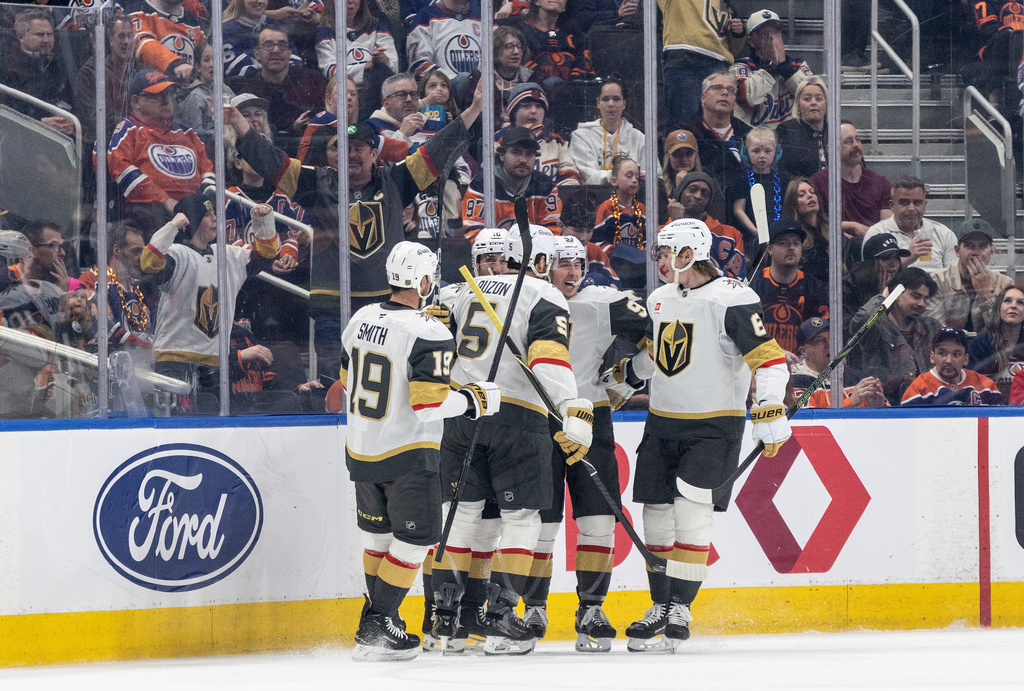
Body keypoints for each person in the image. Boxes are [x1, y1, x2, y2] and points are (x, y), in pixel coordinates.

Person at [225, 77, 485, 379]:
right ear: (331, 155)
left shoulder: (397, 179)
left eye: (359, 147)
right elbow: (270, 161)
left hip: (389, 304)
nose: (350, 153)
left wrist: (475, 108)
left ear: (374, 154)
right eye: (340, 147)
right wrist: (240, 126)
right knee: (333, 382)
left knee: (388, 381)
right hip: (333, 307)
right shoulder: (315, 182)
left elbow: (439, 148)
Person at [627, 218, 789, 653]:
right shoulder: (660, 298)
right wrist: (623, 378)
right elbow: (656, 353)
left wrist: (770, 407)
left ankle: (681, 607)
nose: (659, 260)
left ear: (687, 255)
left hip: (713, 426)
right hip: (661, 422)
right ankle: (660, 605)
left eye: (665, 252)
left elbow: (769, 361)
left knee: (692, 514)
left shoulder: (731, 300)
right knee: (656, 517)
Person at [431, 225, 593, 656]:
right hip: (519, 417)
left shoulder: (454, 294)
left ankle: (444, 622)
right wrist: (572, 409)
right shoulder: (543, 295)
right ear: (537, 262)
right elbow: (549, 359)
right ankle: (501, 617)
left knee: (459, 515)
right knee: (521, 519)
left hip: (463, 415)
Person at [338, 241, 500, 660]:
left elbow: (345, 374)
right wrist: (473, 400)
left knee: (378, 540)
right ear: (424, 281)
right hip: (407, 452)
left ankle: (374, 622)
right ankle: (377, 624)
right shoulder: (429, 331)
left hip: (361, 448)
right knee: (416, 541)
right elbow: (429, 407)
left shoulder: (360, 318)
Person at [519, 235, 653, 652]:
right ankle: (534, 607)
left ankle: (591, 609)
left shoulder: (600, 302)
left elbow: (659, 331)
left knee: (598, 522)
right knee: (541, 523)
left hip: (591, 418)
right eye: (563, 263)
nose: (573, 271)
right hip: (536, 419)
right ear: (543, 265)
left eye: (578, 263)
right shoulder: (523, 300)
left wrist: (629, 376)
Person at [139, 194, 279, 410]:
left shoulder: (228, 256)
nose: (215, 218)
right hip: (174, 362)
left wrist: (263, 221)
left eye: (215, 213)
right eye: (206, 215)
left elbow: (267, 253)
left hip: (215, 363)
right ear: (191, 220)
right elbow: (149, 263)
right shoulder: (178, 255)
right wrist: (172, 226)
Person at [106, 70, 216, 228]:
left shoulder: (187, 133)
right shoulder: (128, 130)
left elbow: (208, 170)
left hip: (196, 215)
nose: (166, 100)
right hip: (152, 216)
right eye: (157, 95)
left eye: (168, 93)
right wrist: (164, 200)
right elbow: (121, 168)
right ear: (136, 101)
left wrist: (204, 203)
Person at [848, 267, 942, 406]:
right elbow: (861, 320)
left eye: (925, 299)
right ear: (897, 295)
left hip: (927, 407)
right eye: (915, 296)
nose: (922, 304)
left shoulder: (931, 327)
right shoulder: (876, 326)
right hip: (884, 408)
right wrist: (885, 296)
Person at [462, 125, 561, 241]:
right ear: (502, 155)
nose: (523, 160)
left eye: (529, 154)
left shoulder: (545, 186)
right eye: (516, 152)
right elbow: (473, 232)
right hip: (494, 257)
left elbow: (552, 232)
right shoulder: (482, 184)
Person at [659, 0, 746, 130]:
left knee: (717, 126)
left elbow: (733, 49)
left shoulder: (726, 5)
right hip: (685, 62)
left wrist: (738, 33)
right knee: (685, 126)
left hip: (719, 66)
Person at [748, 219, 828, 356]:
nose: (791, 248)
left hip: (801, 366)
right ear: (770, 249)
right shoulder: (753, 285)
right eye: (783, 243)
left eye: (796, 243)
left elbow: (824, 335)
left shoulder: (815, 288)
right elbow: (745, 332)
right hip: (761, 363)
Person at [242, 26, 328, 148]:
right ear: (257, 54)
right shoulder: (250, 92)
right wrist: (292, 128)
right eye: (268, 45)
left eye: (282, 44)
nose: (276, 50)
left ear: (289, 52)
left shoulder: (313, 79)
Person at [924, 218, 1013, 334]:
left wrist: (985, 293)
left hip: (989, 350)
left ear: (992, 252)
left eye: (982, 246)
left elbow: (1004, 331)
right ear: (957, 251)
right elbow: (935, 329)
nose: (976, 252)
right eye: (969, 246)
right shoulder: (937, 280)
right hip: (948, 348)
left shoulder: (1005, 283)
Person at [78, 224, 155, 351]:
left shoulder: (139, 289)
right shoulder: (91, 280)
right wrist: (143, 345)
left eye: (143, 252)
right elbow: (99, 326)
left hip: (141, 364)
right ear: (117, 250)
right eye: (135, 251)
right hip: (106, 363)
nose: (141, 258)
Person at [810, 123, 891, 245]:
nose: (856, 145)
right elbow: (815, 224)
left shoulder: (881, 182)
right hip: (836, 249)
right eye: (848, 141)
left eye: (857, 139)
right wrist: (853, 226)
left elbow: (888, 227)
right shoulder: (817, 182)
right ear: (830, 148)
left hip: (873, 250)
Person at [731, 9, 813, 129]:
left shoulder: (798, 65)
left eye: (775, 31)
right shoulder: (741, 66)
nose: (772, 38)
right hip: (754, 139)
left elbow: (812, 96)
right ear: (751, 41)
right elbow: (747, 99)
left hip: (792, 138)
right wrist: (771, 67)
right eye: (764, 33)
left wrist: (785, 68)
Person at [0, 10, 75, 136]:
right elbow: (5, 114)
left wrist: (71, 124)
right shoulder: (7, 67)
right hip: (19, 141)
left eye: (49, 34)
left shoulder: (59, 65)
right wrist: (39, 123)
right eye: (40, 35)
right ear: (21, 37)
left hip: (58, 139)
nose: (46, 40)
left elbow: (71, 102)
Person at [861, 176, 958, 273]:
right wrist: (906, 259)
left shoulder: (944, 234)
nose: (911, 208)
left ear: (924, 205)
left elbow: (954, 277)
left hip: (936, 287)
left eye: (917, 203)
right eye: (904, 202)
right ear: (892, 205)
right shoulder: (877, 233)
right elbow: (870, 278)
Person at [496, 82, 581, 187]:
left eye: (539, 106)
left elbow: (570, 177)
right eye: (526, 106)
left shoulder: (556, 142)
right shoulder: (496, 140)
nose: (534, 111)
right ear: (513, 112)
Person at [790, 317, 887, 408]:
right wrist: (850, 402)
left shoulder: (860, 379)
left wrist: (876, 406)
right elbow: (810, 422)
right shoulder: (795, 382)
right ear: (804, 351)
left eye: (831, 338)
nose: (828, 344)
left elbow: (890, 417)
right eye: (819, 341)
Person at [569, 77, 649, 184]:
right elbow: (588, 177)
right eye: (605, 99)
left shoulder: (639, 138)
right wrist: (625, 175)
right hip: (595, 198)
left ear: (624, 103)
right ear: (598, 103)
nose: (611, 104)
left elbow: (654, 174)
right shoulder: (582, 136)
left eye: (616, 99)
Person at [685, 71, 752, 196]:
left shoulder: (749, 134)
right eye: (717, 88)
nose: (725, 92)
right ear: (703, 98)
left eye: (731, 90)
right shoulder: (689, 134)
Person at [74, 14, 139, 143]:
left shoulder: (140, 69)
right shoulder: (90, 73)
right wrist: (139, 124)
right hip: (104, 144)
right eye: (121, 36)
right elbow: (97, 118)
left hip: (139, 140)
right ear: (110, 40)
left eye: (129, 36)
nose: (126, 41)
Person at [673, 171, 747, 280]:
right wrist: (677, 225)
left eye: (704, 193)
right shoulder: (661, 232)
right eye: (692, 190)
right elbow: (662, 275)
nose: (698, 196)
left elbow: (738, 279)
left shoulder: (730, 234)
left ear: (709, 202)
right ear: (680, 194)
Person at [901, 327, 1001, 406]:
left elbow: (999, 424)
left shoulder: (987, 387)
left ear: (966, 359)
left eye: (956, 354)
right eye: (942, 353)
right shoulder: (918, 389)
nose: (948, 361)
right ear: (932, 357)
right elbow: (909, 428)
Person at [726, 126, 790, 247]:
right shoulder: (742, 180)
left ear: (777, 152)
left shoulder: (784, 179)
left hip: (778, 236)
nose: (762, 156)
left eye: (768, 151)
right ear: (745, 153)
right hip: (751, 238)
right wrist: (757, 232)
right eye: (756, 151)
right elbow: (739, 210)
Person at [503, 0, 594, 84]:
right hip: (533, 89)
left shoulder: (574, 32)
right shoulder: (520, 30)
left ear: (565, 6)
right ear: (537, 2)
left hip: (569, 90)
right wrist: (544, 80)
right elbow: (519, 62)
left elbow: (583, 62)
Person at [113, 0, 206, 82]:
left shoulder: (193, 22)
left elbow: (205, 53)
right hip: (152, 93)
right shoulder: (137, 11)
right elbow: (143, 45)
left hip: (188, 94)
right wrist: (175, 64)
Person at [592, 155, 647, 293]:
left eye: (637, 177)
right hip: (615, 266)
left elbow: (647, 240)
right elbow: (597, 242)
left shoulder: (641, 208)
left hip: (639, 269)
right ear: (614, 181)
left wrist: (640, 256)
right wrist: (621, 254)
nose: (634, 180)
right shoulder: (606, 207)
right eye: (629, 176)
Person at [315, 0, 398, 88]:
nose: (350, 1)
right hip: (347, 93)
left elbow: (394, 67)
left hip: (377, 91)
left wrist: (384, 59)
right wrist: (366, 67)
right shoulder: (325, 33)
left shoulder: (377, 27)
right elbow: (331, 72)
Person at [842, 233, 908, 336]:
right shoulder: (848, 286)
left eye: (896, 258)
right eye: (886, 258)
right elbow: (851, 331)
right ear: (870, 262)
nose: (893, 263)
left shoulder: (900, 286)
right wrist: (880, 297)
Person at [968, 286, 1024, 404]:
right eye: (1007, 300)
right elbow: (970, 388)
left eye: (1020, 303)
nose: (1013, 306)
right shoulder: (979, 345)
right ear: (999, 307)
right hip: (990, 413)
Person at [223, 0, 304, 79]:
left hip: (283, 85)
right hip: (248, 89)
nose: (259, 1)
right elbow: (235, 70)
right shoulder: (227, 30)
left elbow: (295, 59)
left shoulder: (272, 23)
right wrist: (274, 76)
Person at [407, 0, 483, 79]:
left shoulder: (483, 15)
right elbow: (419, 64)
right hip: (442, 88)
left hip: (483, 88)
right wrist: (451, 81)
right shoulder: (425, 16)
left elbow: (495, 58)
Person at [176, 40, 236, 136]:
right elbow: (197, 136)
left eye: (216, 59)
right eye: (206, 60)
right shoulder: (195, 97)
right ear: (198, 67)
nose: (212, 64)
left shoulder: (226, 90)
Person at [781, 177, 832, 282]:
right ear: (793, 204)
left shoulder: (831, 232)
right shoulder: (794, 237)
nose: (810, 196)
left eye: (812, 192)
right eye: (802, 195)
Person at [776, 77, 828, 178]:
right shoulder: (786, 130)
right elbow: (784, 173)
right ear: (798, 106)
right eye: (807, 99)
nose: (814, 103)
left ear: (826, 104)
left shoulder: (838, 130)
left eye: (819, 99)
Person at [490, 26, 537, 124]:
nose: (516, 52)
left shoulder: (531, 77)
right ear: (495, 50)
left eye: (519, 47)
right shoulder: (481, 78)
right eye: (509, 46)